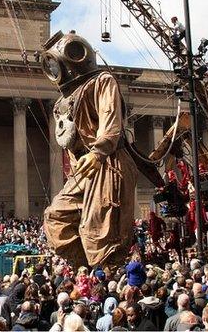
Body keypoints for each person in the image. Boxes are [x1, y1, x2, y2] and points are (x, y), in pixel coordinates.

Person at [42, 30, 139, 268]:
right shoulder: (61, 102)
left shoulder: (102, 81)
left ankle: (107, 275)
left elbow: (111, 124)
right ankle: (87, 270)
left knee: (97, 230)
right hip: (83, 170)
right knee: (55, 217)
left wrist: (98, 152)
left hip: (107, 161)